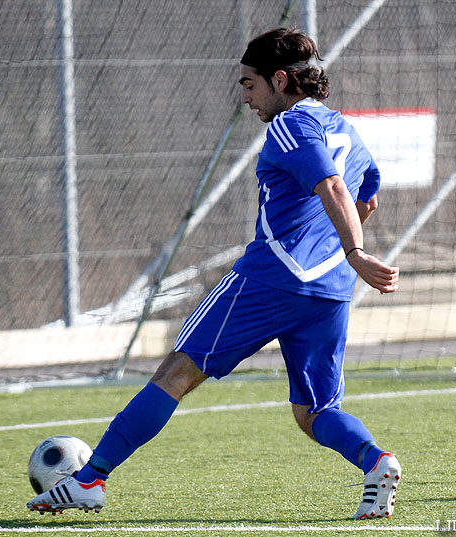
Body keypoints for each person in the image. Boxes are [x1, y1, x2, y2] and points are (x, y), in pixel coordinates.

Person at [27, 28, 402, 520]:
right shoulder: (345, 131)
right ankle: (376, 462)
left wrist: (354, 249)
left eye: (250, 85)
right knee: (315, 414)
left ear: (281, 80)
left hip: (270, 278)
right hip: (329, 290)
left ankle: (90, 480)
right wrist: (341, 254)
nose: (245, 97)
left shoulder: (290, 126)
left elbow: (330, 185)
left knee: (176, 373)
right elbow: (366, 197)